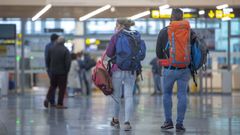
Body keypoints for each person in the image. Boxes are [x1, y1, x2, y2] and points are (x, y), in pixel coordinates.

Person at [156, 8, 196, 132]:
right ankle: (180, 123)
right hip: (184, 68)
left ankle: (168, 122)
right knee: (182, 95)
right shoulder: (189, 32)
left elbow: (158, 52)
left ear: (171, 17)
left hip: (169, 69)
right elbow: (194, 50)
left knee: (167, 94)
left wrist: (167, 59)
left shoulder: (164, 32)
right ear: (182, 17)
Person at [106, 18, 145, 131]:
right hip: (132, 69)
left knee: (116, 96)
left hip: (117, 69)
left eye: (116, 25)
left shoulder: (116, 36)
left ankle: (116, 120)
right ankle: (127, 122)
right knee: (129, 96)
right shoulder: (136, 36)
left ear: (120, 25)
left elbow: (109, 53)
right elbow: (140, 53)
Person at [44, 36, 71, 109]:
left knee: (52, 86)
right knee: (62, 88)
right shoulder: (65, 50)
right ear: (64, 42)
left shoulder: (51, 49)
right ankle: (59, 104)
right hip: (62, 73)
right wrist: (66, 71)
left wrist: (50, 68)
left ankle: (47, 99)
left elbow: (47, 59)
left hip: (53, 72)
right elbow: (68, 62)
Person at [44, 33, 59, 105]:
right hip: (55, 69)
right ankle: (50, 100)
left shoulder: (47, 46)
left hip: (50, 68)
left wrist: (48, 67)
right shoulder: (55, 46)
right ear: (56, 39)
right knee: (54, 85)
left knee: (53, 84)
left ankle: (50, 99)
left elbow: (47, 58)